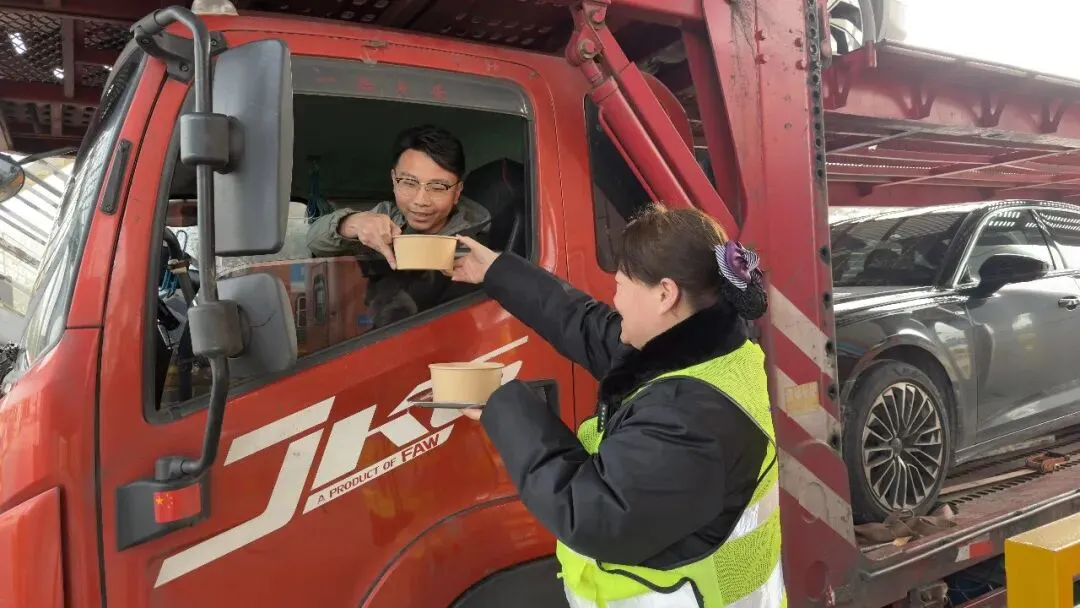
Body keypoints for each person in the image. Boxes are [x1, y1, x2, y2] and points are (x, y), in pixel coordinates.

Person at [450, 203, 785, 608]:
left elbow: (593, 513)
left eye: (622, 284)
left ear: (665, 294)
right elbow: (583, 323)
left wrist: (504, 405)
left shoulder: (691, 416)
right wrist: (495, 270)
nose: (615, 298)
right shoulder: (703, 350)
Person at [306, 124, 491, 327]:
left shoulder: (477, 243)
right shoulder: (387, 216)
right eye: (409, 183)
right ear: (394, 182)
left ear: (457, 192)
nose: (421, 201)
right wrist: (352, 223)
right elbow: (314, 240)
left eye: (438, 187)